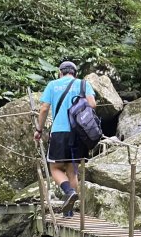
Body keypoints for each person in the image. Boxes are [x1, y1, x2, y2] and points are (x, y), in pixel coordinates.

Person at [34, 60, 97, 216]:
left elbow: (44, 109)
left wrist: (39, 129)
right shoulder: (83, 84)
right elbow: (92, 104)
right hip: (79, 133)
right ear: (74, 73)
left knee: (54, 168)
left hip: (60, 130)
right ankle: (69, 211)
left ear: (60, 72)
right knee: (72, 171)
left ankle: (68, 192)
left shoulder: (53, 85)